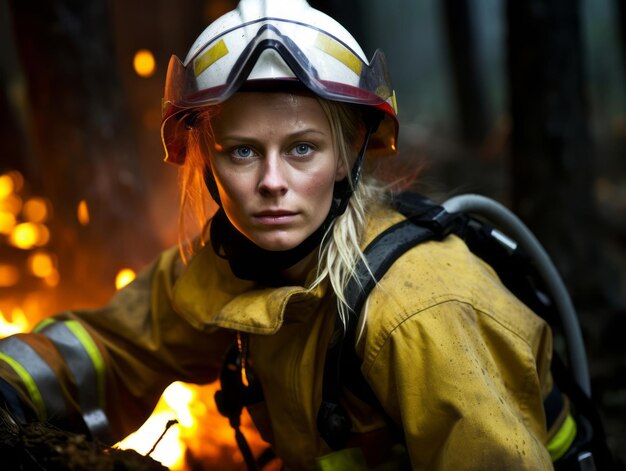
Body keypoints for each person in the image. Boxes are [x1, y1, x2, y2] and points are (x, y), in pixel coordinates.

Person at [0, 0, 565, 469]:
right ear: (205, 165)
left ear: (347, 156)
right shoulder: (227, 267)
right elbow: (113, 348)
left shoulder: (419, 314)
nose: (272, 184)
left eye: (302, 148)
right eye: (242, 151)